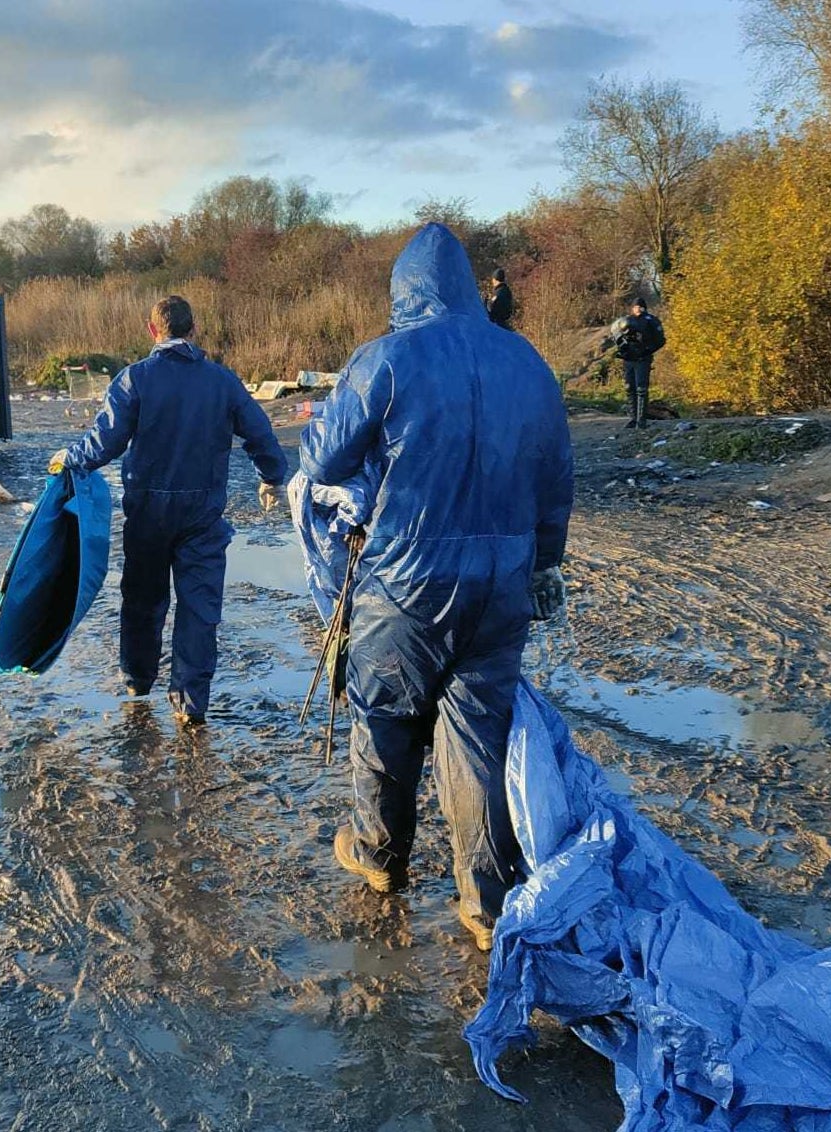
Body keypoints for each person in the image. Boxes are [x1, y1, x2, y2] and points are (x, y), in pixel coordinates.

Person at [301, 224, 574, 951]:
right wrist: (546, 563)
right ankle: (485, 904)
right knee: (476, 737)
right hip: (503, 582)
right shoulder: (529, 364)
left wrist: (322, 435)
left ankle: (380, 857)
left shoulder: (385, 359)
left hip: (407, 580)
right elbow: (555, 480)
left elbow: (326, 464)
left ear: (404, 289)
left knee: (384, 714)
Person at [50, 295, 287, 727]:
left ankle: (138, 681)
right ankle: (191, 702)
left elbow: (105, 442)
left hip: (148, 513)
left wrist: (70, 460)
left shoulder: (134, 380)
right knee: (199, 608)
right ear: (192, 330)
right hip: (202, 513)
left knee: (142, 599)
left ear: (152, 330)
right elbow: (260, 433)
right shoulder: (223, 381)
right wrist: (273, 475)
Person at [605, 296, 666, 429]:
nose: (638, 309)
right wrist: (622, 348)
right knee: (629, 388)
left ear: (644, 308)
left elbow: (660, 340)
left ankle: (641, 420)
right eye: (635, 307)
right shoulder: (626, 320)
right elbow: (617, 336)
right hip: (629, 359)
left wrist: (647, 350)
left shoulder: (651, 321)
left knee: (641, 389)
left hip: (643, 358)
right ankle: (633, 418)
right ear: (632, 308)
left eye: (640, 307)